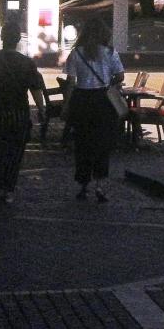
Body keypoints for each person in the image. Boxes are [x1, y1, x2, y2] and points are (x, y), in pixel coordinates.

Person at [0, 20, 47, 204]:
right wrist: (42, 110)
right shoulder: (26, 63)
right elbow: (36, 90)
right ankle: (7, 190)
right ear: (17, 40)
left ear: (2, 38)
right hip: (17, 116)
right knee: (13, 153)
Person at [64, 17, 125, 202]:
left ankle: (83, 186)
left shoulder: (76, 54)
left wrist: (66, 105)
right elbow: (120, 76)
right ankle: (100, 186)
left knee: (82, 144)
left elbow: (71, 82)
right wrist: (108, 83)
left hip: (82, 101)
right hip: (103, 102)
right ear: (103, 34)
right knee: (102, 145)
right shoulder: (110, 52)